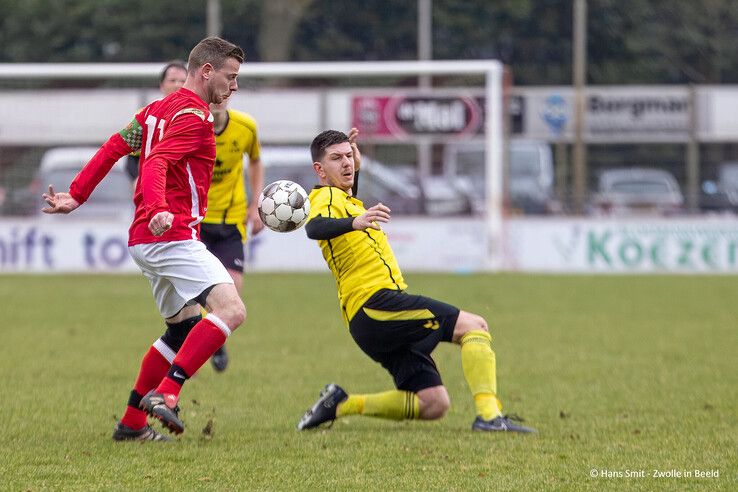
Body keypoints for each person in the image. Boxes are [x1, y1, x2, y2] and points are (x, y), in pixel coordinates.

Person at [42, 37, 246, 441]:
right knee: (232, 309)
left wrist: (77, 194)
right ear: (207, 71)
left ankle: (131, 424)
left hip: (147, 239)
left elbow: (114, 147)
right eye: (231, 76)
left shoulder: (154, 112)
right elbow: (155, 162)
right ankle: (167, 394)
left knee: (182, 328)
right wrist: (156, 209)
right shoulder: (194, 116)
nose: (234, 86)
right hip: (170, 234)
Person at [296, 129, 536, 433]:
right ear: (319, 170)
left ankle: (341, 404)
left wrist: (357, 170)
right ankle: (490, 417)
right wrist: (354, 222)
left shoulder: (345, 199)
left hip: (369, 321)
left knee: (433, 403)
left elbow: (342, 199)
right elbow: (314, 226)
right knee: (474, 326)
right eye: (336, 158)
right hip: (376, 305)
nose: (346, 163)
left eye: (348, 156)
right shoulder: (323, 197)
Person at [202, 100, 264, 372]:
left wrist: (256, 205)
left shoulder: (245, 126)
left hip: (231, 221)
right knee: (196, 297)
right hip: (197, 221)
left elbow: (256, 160)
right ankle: (199, 345)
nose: (218, 100)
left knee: (233, 291)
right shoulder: (191, 126)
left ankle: (216, 341)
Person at [125, 61, 188, 187]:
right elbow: (130, 156)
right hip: (154, 187)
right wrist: (136, 179)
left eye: (183, 81)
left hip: (184, 189)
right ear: (161, 85)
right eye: (172, 80)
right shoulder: (146, 115)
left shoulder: (197, 115)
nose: (178, 85)